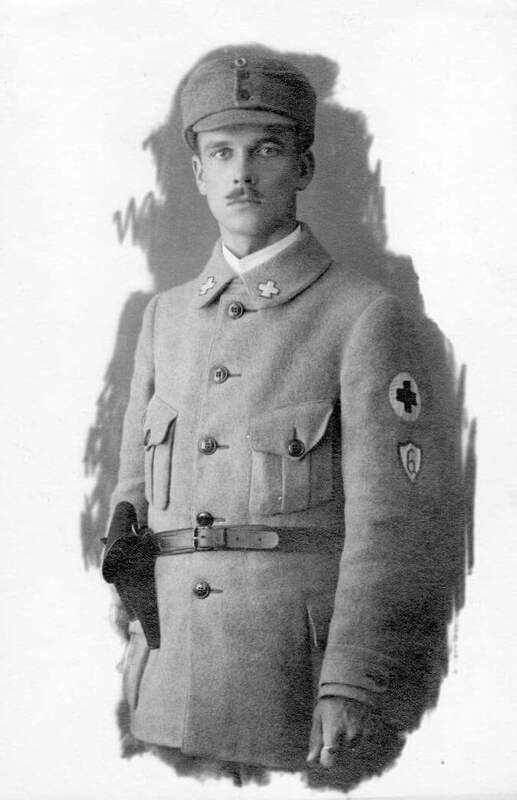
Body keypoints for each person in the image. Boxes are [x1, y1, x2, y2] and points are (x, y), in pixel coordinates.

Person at [103, 46, 455, 788]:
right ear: (197, 171)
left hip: (292, 688)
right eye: (221, 152)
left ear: (303, 166)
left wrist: (350, 680)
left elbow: (391, 528)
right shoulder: (164, 319)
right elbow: (131, 504)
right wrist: (131, 641)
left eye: (266, 149)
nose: (242, 173)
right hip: (166, 680)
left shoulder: (361, 315)